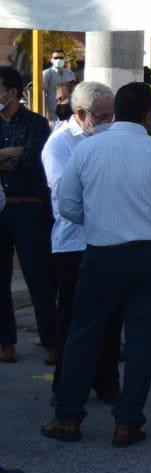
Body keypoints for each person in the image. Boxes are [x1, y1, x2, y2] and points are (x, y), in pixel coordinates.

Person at [41, 83, 151, 446]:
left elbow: (68, 206)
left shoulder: (87, 149)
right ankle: (128, 422)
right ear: (150, 115)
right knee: (142, 340)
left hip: (102, 252)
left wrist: (101, 219)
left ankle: (68, 417)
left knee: (84, 334)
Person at [42, 81, 120, 404]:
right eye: (102, 117)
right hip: (73, 243)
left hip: (108, 240)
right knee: (73, 318)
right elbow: (66, 196)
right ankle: (65, 385)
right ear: (80, 113)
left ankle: (106, 382)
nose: (108, 123)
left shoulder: (111, 138)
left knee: (110, 317)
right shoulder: (60, 144)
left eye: (112, 116)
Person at [0, 65, 55, 365]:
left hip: (28, 207)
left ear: (12, 91)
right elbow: (20, 158)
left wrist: (10, 156)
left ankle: (50, 341)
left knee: (38, 276)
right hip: (1, 206)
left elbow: (33, 161)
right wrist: (13, 152)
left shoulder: (35, 123)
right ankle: (5, 342)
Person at [41, 49, 77, 123]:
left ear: (64, 59)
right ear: (51, 60)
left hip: (68, 113)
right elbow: (43, 95)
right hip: (52, 114)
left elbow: (74, 92)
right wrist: (47, 114)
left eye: (61, 58)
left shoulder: (70, 73)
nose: (59, 60)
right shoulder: (46, 74)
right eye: (56, 58)